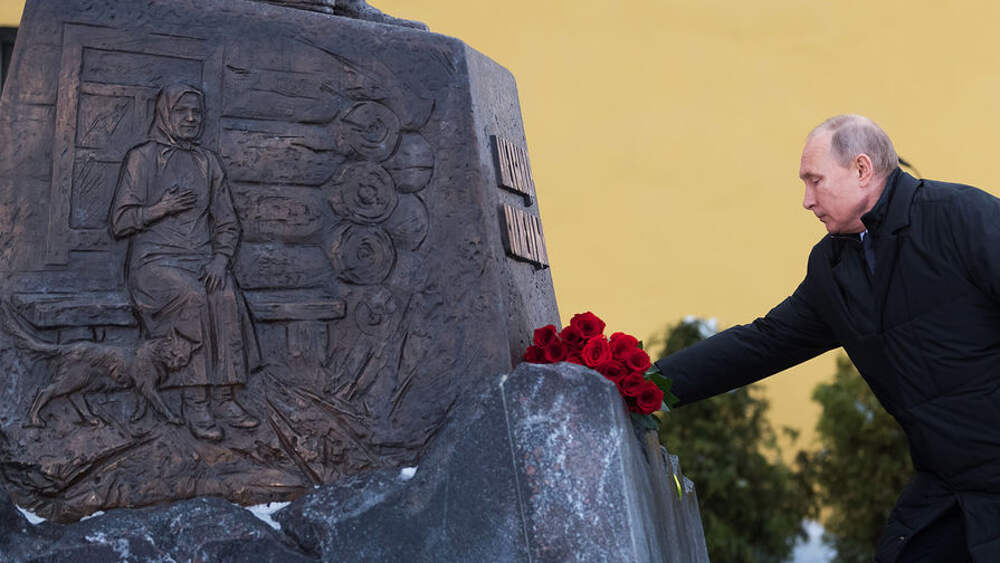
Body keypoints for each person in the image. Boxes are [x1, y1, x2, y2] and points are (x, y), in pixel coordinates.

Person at [656, 114, 1000, 562]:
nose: (806, 200)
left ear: (862, 169)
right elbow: (764, 342)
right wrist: (646, 385)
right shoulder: (833, 269)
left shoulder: (960, 216)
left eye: (815, 181)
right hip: (950, 484)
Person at [110, 84, 260, 442]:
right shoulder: (142, 158)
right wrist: (160, 208)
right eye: (182, 111)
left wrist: (221, 259)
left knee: (225, 296)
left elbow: (227, 221)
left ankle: (224, 398)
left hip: (201, 260)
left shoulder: (208, 162)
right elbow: (119, 222)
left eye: (197, 112)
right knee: (193, 298)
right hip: (153, 264)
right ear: (165, 114)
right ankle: (196, 402)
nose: (191, 118)